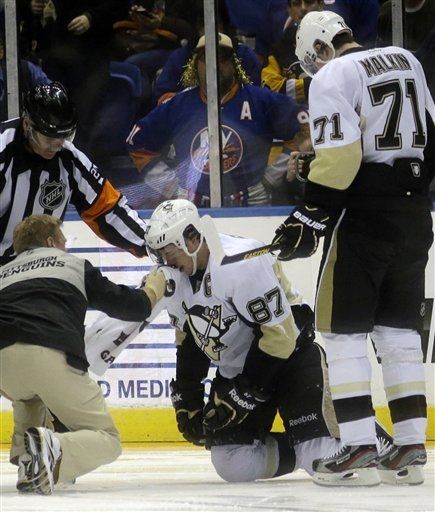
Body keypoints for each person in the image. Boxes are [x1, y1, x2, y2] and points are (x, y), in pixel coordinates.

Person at [272, 11, 434, 486]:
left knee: (340, 332)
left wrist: (310, 213)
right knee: (399, 331)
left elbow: (342, 159)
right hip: (414, 216)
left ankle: (359, 442)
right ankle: (409, 445)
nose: (314, 69)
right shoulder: (406, 58)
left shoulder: (331, 76)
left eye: (311, 61)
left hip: (364, 220)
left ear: (320, 49)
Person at [141, 198, 345, 483]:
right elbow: (191, 338)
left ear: (191, 237)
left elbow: (280, 337)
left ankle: (370, 443)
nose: (165, 260)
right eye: (159, 254)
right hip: (241, 368)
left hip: (289, 359)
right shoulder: (178, 276)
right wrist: (188, 397)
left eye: (168, 250)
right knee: (231, 462)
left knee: (320, 457)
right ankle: (303, 447)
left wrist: (244, 392)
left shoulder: (239, 262)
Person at [0, 214, 167, 495]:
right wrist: (152, 289)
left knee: (28, 395)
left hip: (3, 360)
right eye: (63, 241)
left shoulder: (2, 273)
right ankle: (54, 449)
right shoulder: (73, 266)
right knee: (108, 439)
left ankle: (28, 461)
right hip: (51, 350)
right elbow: (128, 307)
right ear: (51, 242)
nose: (66, 247)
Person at [127, 33, 309, 208]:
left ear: (234, 63)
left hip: (252, 203)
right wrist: (171, 186)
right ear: (195, 64)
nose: (214, 64)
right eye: (206, 58)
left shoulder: (260, 100)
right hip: (191, 204)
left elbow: (306, 129)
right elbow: (137, 143)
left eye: (222, 57)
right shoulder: (178, 104)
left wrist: (271, 178)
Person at [0, 82, 148, 266]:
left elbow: (106, 210)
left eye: (64, 136)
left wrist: (150, 243)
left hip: (42, 268)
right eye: (49, 137)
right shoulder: (3, 151)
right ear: (27, 124)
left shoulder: (69, 159)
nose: (57, 144)